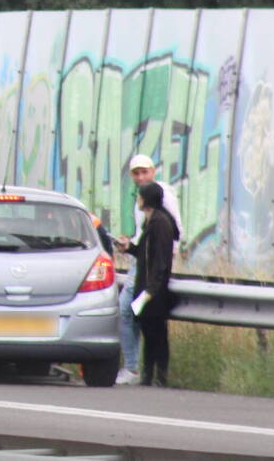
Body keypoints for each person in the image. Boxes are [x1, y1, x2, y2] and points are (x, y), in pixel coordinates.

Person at [114, 154, 183, 385]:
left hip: (152, 283)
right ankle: (145, 374)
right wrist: (130, 247)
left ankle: (147, 374)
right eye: (136, 173)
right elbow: (145, 247)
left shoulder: (161, 215)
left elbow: (164, 251)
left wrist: (152, 288)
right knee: (145, 323)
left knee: (149, 326)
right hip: (146, 277)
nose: (140, 177)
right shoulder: (149, 219)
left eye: (144, 172)